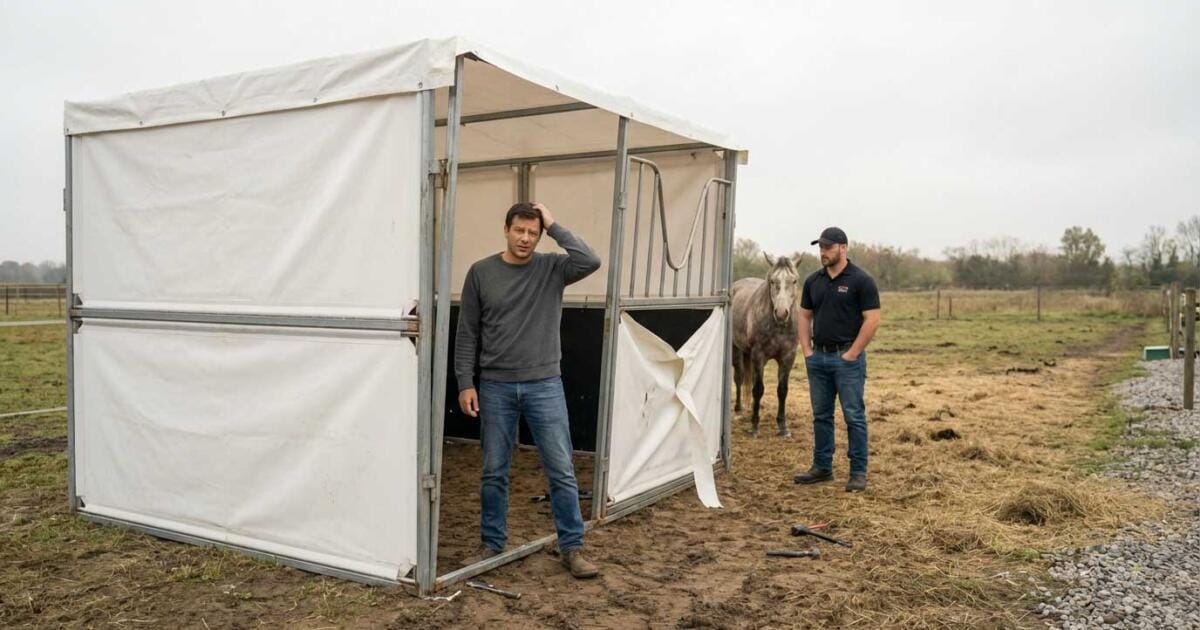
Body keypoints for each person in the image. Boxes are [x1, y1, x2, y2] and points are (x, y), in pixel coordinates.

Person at [455, 202, 603, 578]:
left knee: (561, 469)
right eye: (519, 230)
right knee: (493, 470)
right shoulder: (481, 273)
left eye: (533, 232)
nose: (525, 238)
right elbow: (467, 332)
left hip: (544, 384)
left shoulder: (552, 268)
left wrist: (553, 224)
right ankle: (491, 543)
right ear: (506, 229)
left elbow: (591, 259)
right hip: (494, 386)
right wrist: (465, 383)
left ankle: (572, 548)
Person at [792, 227, 881, 492]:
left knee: (853, 415)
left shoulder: (861, 281)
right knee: (821, 415)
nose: (823, 252)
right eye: (820, 248)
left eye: (828, 248)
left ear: (843, 248)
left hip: (847, 360)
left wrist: (853, 353)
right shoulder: (813, 281)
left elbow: (872, 319)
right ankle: (822, 467)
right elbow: (804, 315)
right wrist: (807, 350)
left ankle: (857, 472)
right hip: (818, 358)